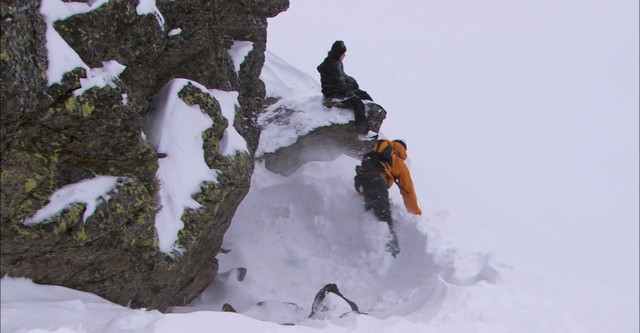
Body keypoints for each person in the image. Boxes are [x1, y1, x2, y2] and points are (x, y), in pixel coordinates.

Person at [354, 139, 422, 257]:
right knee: (385, 220)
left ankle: (365, 251)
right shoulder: (398, 160)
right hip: (377, 182)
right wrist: (417, 215)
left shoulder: (376, 148)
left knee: (372, 212)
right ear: (403, 150)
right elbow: (408, 191)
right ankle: (390, 256)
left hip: (361, 180)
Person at [317, 40, 373, 135]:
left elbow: (342, 76)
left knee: (363, 94)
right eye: (343, 53)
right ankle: (362, 132)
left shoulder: (336, 62)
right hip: (333, 95)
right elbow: (336, 85)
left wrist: (352, 81)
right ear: (338, 53)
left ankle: (371, 118)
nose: (344, 56)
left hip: (341, 90)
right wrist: (350, 88)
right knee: (357, 103)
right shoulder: (330, 65)